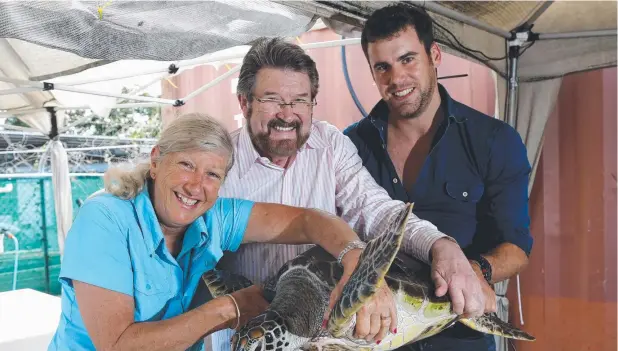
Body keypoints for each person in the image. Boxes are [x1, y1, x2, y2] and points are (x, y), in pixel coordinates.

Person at [211, 37, 492, 351]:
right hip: (256, 327)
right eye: (272, 99)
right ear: (244, 103)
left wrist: (440, 245)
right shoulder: (218, 164)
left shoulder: (329, 144)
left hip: (331, 331)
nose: (287, 115)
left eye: (301, 100)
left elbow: (375, 209)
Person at [47, 113, 394, 351]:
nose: (196, 186)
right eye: (186, 165)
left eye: (213, 175)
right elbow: (118, 344)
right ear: (155, 161)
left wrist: (356, 260)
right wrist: (229, 309)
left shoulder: (214, 218)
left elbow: (310, 220)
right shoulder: (105, 219)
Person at [343, 4, 534, 351]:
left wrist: (475, 272)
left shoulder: (493, 140)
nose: (396, 79)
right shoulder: (350, 147)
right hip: (376, 338)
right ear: (372, 73)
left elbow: (516, 247)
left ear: (434, 55)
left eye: (407, 59)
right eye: (382, 67)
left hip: (461, 337)